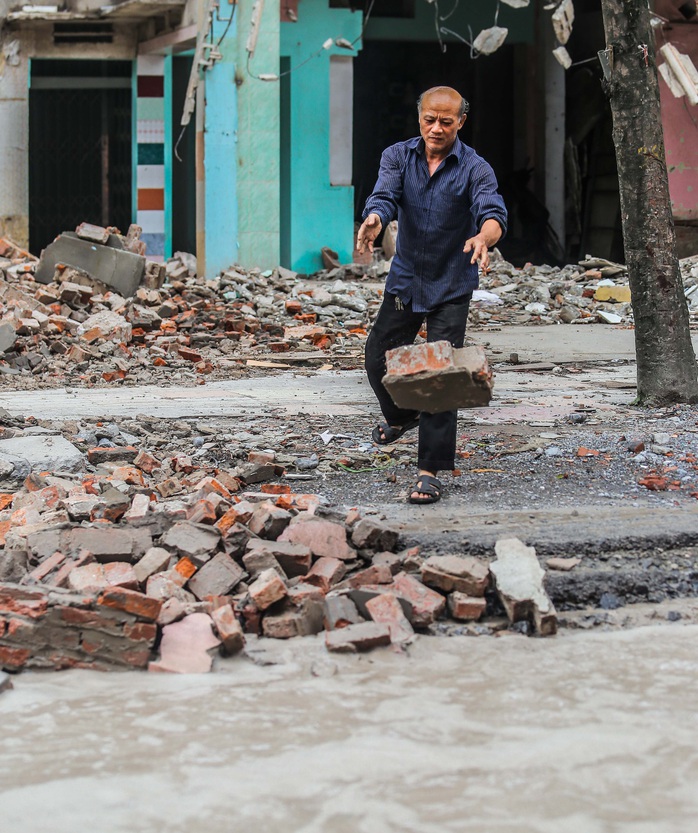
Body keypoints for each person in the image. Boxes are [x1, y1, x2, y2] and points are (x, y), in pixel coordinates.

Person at [357, 86, 507, 505]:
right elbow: (384, 195)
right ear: (419, 117)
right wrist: (374, 217)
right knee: (376, 357)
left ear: (461, 121)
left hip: (451, 285)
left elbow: (493, 211)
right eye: (429, 119)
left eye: (446, 121)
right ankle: (402, 416)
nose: (436, 128)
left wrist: (484, 236)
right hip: (405, 281)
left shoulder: (475, 167)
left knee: (440, 377)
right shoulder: (398, 156)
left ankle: (429, 471)